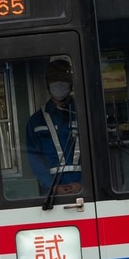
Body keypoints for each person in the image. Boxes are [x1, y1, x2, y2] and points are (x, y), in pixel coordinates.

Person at [26, 59, 81, 195]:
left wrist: (83, 183)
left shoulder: (84, 115)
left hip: (87, 192)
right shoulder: (36, 121)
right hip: (51, 196)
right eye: (54, 78)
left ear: (71, 83)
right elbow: (34, 160)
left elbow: (97, 153)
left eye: (63, 78)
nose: (59, 83)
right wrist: (52, 187)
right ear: (47, 83)